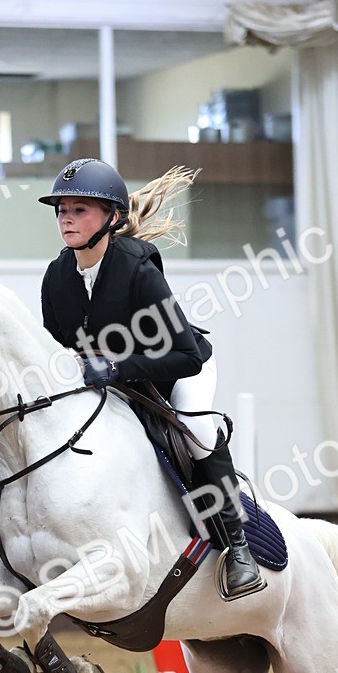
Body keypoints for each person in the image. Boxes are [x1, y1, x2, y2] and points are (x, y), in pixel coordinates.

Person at [39, 157, 264, 600]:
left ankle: (238, 549)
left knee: (198, 431)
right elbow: (57, 351)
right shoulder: (56, 277)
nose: (66, 217)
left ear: (112, 218)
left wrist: (117, 367)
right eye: (62, 209)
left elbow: (184, 356)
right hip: (115, 383)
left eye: (79, 209)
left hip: (175, 369)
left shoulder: (137, 270)